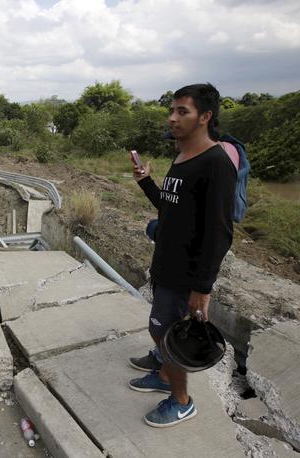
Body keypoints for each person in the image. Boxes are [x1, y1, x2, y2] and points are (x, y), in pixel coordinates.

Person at [128, 83, 237, 428]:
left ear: (205, 117)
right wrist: (147, 182)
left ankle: (181, 400)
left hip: (185, 274)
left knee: (165, 334)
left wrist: (202, 288)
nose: (172, 118)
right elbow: (170, 209)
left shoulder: (216, 164)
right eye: (172, 110)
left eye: (182, 111)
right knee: (162, 330)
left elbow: (220, 233)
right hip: (166, 264)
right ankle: (163, 374)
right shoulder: (182, 156)